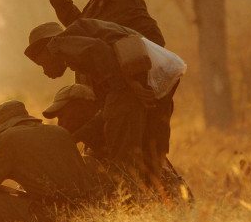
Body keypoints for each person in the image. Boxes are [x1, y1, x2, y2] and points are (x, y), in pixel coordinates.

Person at [41, 0, 175, 174]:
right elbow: (81, 28)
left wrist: (129, 77)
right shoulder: (99, 1)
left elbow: (155, 47)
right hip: (106, 97)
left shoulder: (128, 5)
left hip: (130, 101)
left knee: (133, 168)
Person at [24, 18, 154, 178]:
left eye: (42, 63)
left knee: (125, 163)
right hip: (126, 98)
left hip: (130, 97)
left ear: (47, 50)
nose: (44, 71)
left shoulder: (69, 48)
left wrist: (132, 83)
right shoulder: (80, 67)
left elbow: (102, 54)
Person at [0, 100, 99, 222]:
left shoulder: (8, 139)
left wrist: (12, 191)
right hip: (87, 212)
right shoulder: (60, 132)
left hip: (52, 216)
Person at [42, 84, 194, 203]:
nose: (60, 123)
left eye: (63, 116)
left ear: (83, 107)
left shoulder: (116, 134)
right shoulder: (93, 146)